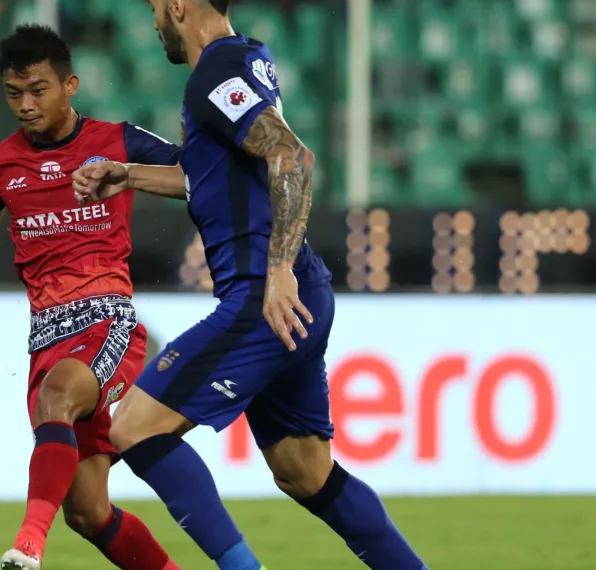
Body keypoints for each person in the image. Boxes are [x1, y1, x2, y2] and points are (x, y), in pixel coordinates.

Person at [72, 1, 429, 570]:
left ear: (178, 5)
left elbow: (291, 155)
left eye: (154, 8)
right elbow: (217, 176)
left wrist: (278, 268)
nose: (153, 22)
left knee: (135, 426)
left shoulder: (217, 69)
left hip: (267, 294)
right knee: (305, 472)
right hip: (297, 291)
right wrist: (130, 175)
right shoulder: (244, 60)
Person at [0, 24, 183, 570]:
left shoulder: (117, 140)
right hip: (47, 332)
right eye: (13, 93)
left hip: (107, 319)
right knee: (88, 513)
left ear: (71, 84)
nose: (24, 104)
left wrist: (130, 176)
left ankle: (27, 546)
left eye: (38, 89)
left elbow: (194, 175)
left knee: (56, 400)